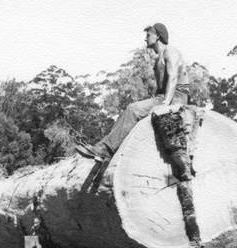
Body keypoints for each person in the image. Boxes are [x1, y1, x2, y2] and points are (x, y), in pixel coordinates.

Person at [76, 23, 191, 161]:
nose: (145, 39)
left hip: (175, 96)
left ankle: (106, 148)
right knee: (128, 112)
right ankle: (110, 147)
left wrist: (165, 103)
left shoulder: (170, 51)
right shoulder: (158, 58)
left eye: (148, 35)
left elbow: (173, 77)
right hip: (164, 96)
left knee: (133, 110)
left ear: (158, 36)